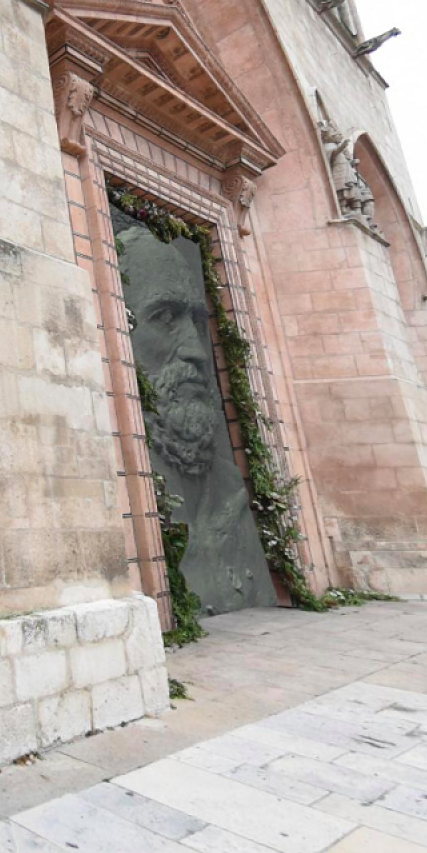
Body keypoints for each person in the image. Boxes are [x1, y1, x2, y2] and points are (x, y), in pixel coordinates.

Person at [118, 226, 278, 614]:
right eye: (165, 316)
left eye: (196, 322)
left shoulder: (228, 487)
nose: (197, 352)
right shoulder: (119, 488)